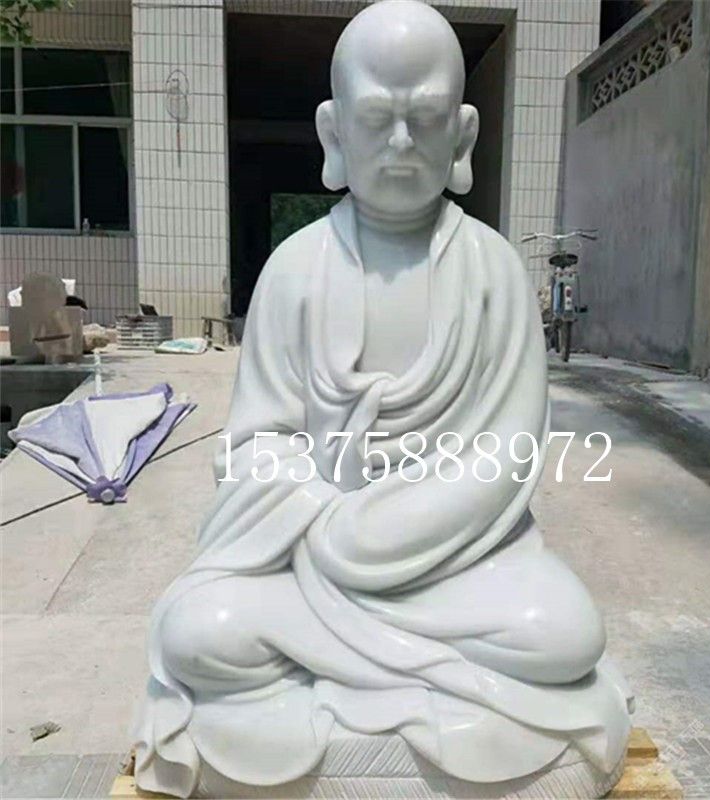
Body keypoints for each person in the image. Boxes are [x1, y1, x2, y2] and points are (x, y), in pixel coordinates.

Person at [133, 2, 631, 796]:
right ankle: (421, 704)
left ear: (461, 137)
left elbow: (508, 455)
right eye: (376, 119)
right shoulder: (295, 270)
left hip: (459, 561)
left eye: (423, 119)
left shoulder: (494, 272)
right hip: (308, 553)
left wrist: (379, 540)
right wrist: (325, 522)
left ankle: (329, 706)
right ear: (334, 133)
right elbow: (256, 446)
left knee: (565, 636)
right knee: (198, 636)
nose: (401, 142)